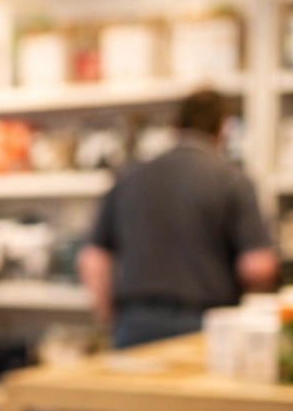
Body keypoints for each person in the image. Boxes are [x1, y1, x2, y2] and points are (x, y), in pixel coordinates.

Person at [79, 90, 278, 349]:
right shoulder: (232, 179)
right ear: (222, 129)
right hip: (206, 322)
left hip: (135, 319)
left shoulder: (129, 175)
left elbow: (92, 260)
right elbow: (258, 265)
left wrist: (110, 318)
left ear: (175, 125)